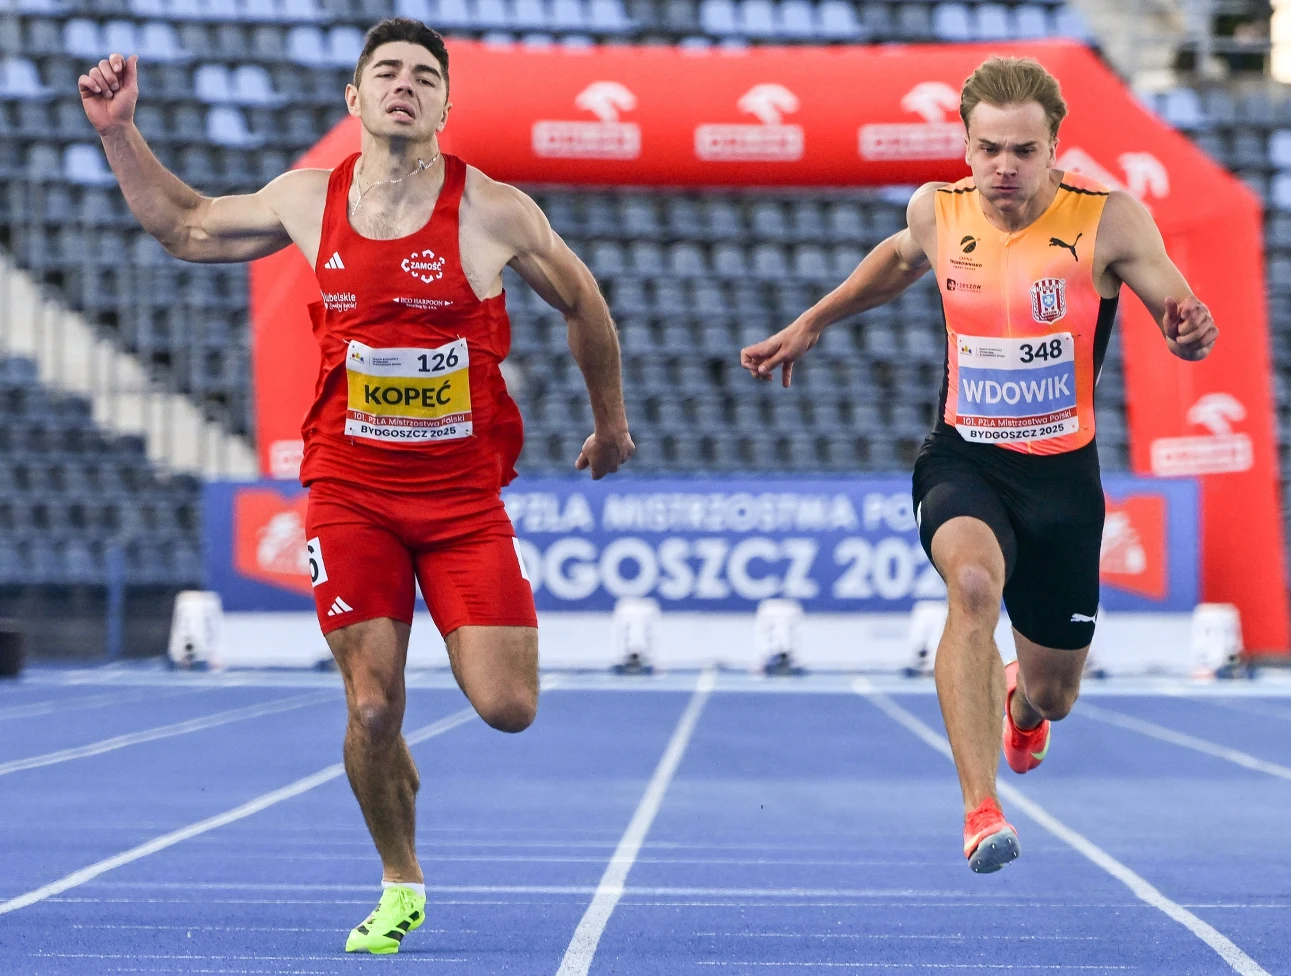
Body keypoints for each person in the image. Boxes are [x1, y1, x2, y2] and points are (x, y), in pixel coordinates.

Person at [79, 18, 633, 951]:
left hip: (461, 503)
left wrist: (610, 423)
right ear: (355, 98)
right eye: (387, 72)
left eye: (425, 75)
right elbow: (185, 226)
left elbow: (583, 301)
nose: (405, 86)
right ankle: (401, 878)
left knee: (508, 706)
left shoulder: (493, 210)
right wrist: (117, 131)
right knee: (373, 705)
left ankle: (424, 765)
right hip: (350, 490)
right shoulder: (309, 200)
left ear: (448, 104)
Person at [741, 56, 1216, 873]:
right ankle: (980, 808)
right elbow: (895, 261)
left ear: (1055, 148)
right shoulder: (938, 210)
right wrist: (814, 321)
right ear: (965, 145)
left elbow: (1174, 303)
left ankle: (1020, 704)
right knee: (970, 588)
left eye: (1023, 151)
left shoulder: (1109, 221)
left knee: (1055, 693)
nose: (1005, 166)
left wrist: (1187, 329)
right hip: (965, 458)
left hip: (1064, 482)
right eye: (990, 148)